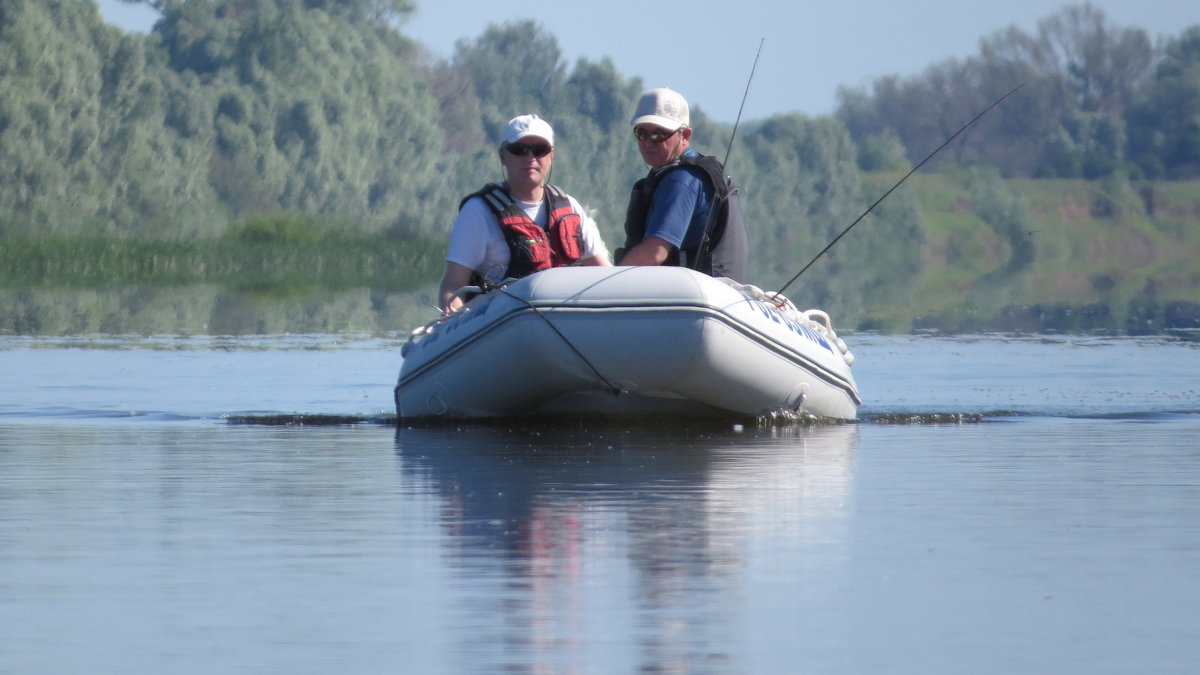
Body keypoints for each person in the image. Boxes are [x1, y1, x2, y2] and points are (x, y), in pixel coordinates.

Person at [438, 114, 611, 313]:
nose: (530, 158)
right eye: (520, 150)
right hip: (499, 323)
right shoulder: (478, 211)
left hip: (564, 320)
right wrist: (454, 319)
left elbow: (604, 276)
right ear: (503, 156)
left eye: (540, 150)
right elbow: (452, 286)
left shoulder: (570, 207)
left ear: (551, 156)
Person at [616, 87, 748, 281]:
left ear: (685, 135)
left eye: (659, 134)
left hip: (692, 298)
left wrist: (607, 278)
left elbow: (655, 252)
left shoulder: (682, 180)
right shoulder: (685, 174)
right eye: (641, 133)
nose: (648, 143)